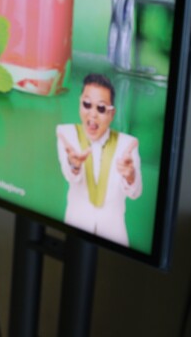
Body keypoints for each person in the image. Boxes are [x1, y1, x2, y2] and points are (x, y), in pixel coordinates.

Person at [56, 73, 142, 246]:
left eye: (101, 108)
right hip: (74, 236)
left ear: (112, 114)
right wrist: (74, 164)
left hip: (114, 242)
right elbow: (70, 176)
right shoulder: (66, 134)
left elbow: (135, 193)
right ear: (80, 104)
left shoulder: (127, 145)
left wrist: (130, 175)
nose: (92, 114)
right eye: (87, 105)